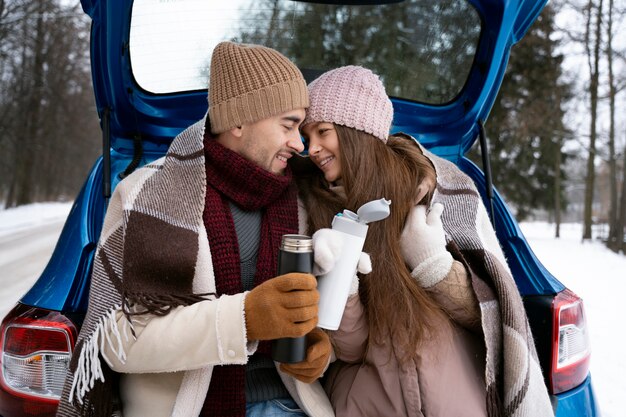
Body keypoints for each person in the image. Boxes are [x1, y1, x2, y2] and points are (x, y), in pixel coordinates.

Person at [57, 42, 336, 417]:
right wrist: (244, 318)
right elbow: (118, 340)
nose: (298, 143)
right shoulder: (147, 195)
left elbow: (320, 311)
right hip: (187, 407)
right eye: (288, 125)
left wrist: (320, 348)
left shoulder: (301, 200)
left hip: (291, 403)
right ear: (238, 121)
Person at [293, 66, 554, 417]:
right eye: (307, 136)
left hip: (457, 399)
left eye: (323, 132)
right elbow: (352, 349)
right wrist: (345, 288)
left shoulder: (433, 188)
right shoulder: (314, 212)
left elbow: (489, 320)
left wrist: (435, 266)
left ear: (358, 130)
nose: (312, 149)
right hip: (372, 403)